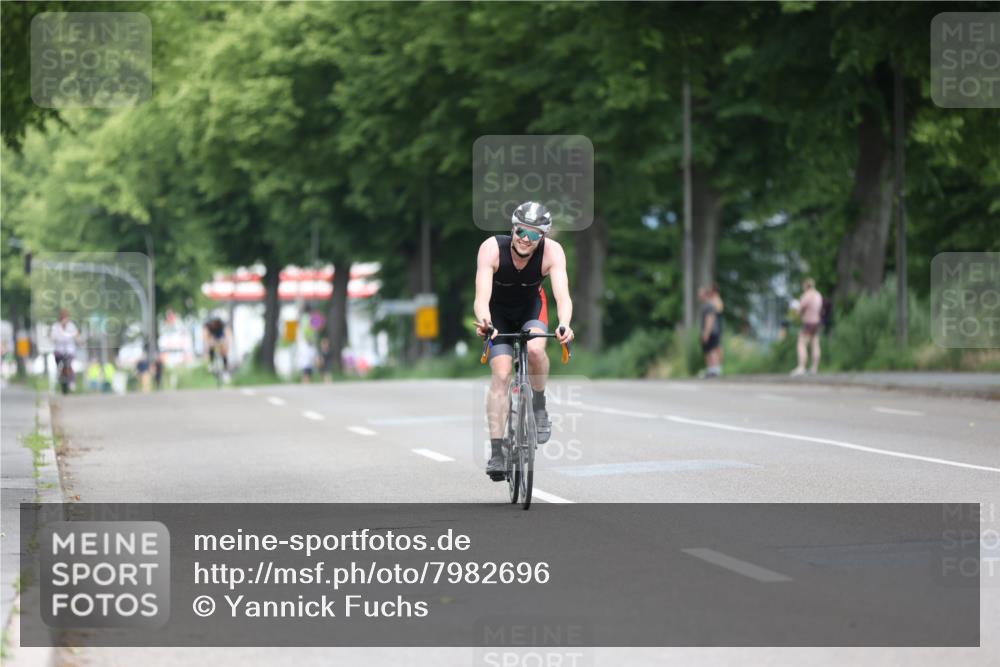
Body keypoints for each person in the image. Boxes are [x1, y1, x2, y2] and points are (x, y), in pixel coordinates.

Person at [474, 201, 575, 480]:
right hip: (498, 313)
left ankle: (539, 407)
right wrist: (486, 322)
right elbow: (481, 297)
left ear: (542, 237)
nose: (525, 239)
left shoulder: (552, 252)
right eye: (521, 231)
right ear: (513, 228)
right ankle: (497, 453)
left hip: (532, 307)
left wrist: (564, 324)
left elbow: (563, 296)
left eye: (533, 235)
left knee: (535, 350)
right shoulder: (492, 248)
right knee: (502, 373)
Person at [792, 277, 823, 376]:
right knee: (815, 344)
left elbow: (800, 310)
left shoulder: (806, 295)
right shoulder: (818, 295)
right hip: (817, 322)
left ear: (806, 285)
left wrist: (796, 311)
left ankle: (801, 367)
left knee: (801, 343)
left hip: (808, 322)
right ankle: (815, 368)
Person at [51, 309, 80, 392]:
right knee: (58, 363)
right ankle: (58, 375)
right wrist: (53, 338)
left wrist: (78, 339)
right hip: (59, 350)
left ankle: (72, 381)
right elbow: (52, 337)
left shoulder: (71, 326)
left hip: (69, 350)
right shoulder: (56, 326)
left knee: (69, 364)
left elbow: (76, 335)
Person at [698, 285, 724, 377]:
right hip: (710, 331)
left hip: (711, 332)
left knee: (712, 350)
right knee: (708, 351)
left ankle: (715, 370)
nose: (699, 296)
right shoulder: (708, 305)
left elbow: (710, 319)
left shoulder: (710, 305)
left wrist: (706, 333)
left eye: (700, 294)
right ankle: (711, 369)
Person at [203, 314, 231, 382]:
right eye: (213, 322)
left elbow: (227, 334)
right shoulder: (208, 325)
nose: (214, 324)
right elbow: (205, 335)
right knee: (211, 345)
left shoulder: (223, 324)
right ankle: (211, 363)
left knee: (224, 352)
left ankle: (225, 371)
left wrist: (226, 342)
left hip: (221, 336)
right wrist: (208, 342)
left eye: (216, 322)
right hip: (212, 336)